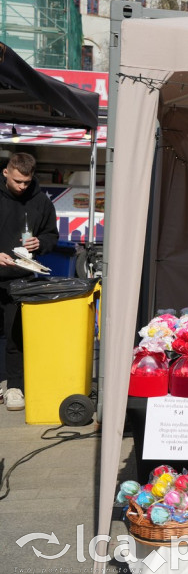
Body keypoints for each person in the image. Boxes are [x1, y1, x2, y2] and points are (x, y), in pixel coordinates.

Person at [0, 153, 58, 411]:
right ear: (5, 172)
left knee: (16, 337)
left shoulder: (41, 202)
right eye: (17, 181)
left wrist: (41, 243)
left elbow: (51, 235)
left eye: (26, 181)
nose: (22, 186)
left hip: (21, 278)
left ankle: (15, 387)